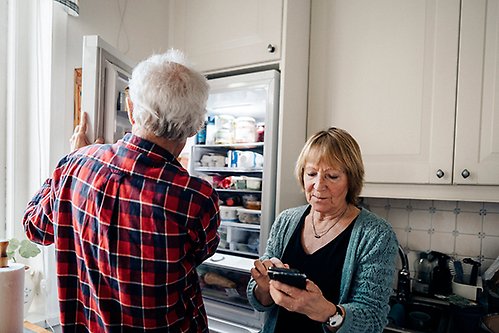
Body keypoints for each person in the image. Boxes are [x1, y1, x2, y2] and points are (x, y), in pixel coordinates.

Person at [23, 50, 221, 332]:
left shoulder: (75, 165)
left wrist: (66, 166)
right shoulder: (196, 196)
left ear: (130, 109)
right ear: (194, 127)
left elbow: (35, 228)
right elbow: (201, 252)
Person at [247, 127, 398, 333]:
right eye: (311, 173)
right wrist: (263, 287)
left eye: (332, 176)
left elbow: (372, 320)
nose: (318, 185)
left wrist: (327, 312)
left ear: (351, 180)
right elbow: (261, 301)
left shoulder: (377, 234)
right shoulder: (286, 220)